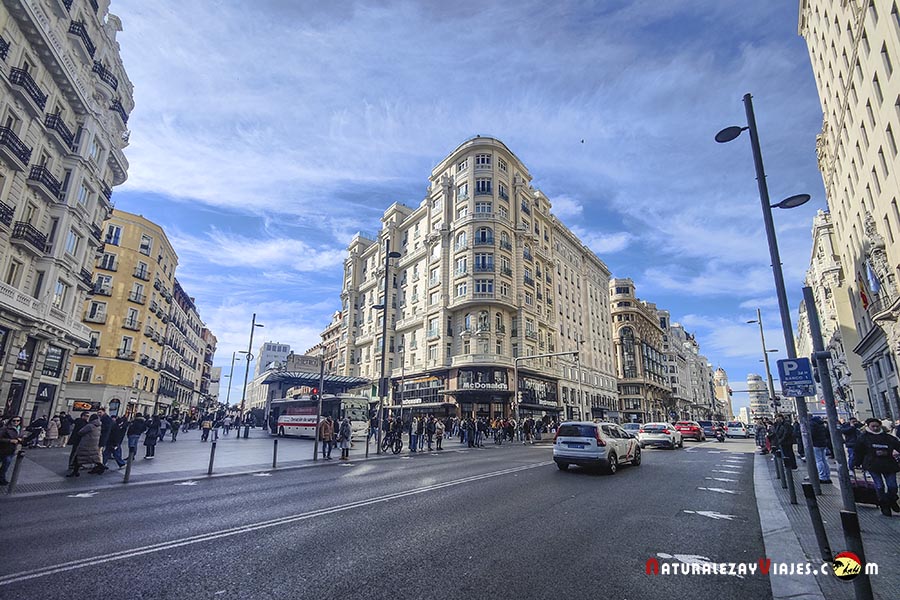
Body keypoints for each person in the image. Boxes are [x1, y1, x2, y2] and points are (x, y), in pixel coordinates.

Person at [853, 418, 900, 516]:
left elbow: (897, 446)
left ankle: (890, 500)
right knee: (879, 486)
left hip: (888, 464)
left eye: (877, 426)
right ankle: (885, 505)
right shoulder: (863, 438)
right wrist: (856, 463)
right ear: (868, 426)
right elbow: (858, 452)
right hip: (872, 464)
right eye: (873, 426)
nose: (875, 428)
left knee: (893, 486)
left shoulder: (888, 437)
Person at [0, 416, 23, 485]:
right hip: (4, 449)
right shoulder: (5, 428)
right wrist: (10, 440)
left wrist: (21, 439)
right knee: (5, 465)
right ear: (10, 421)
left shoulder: (20, 429)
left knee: (6, 465)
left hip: (13, 450)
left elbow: (21, 437)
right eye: (14, 421)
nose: (16, 422)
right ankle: (1, 479)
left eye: (18, 421)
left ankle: (1, 478)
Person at [810, 416, 832, 484]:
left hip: (816, 444)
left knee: (819, 461)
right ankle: (827, 476)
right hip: (823, 443)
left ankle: (822, 477)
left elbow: (811, 434)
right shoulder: (821, 424)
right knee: (824, 460)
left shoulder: (812, 424)